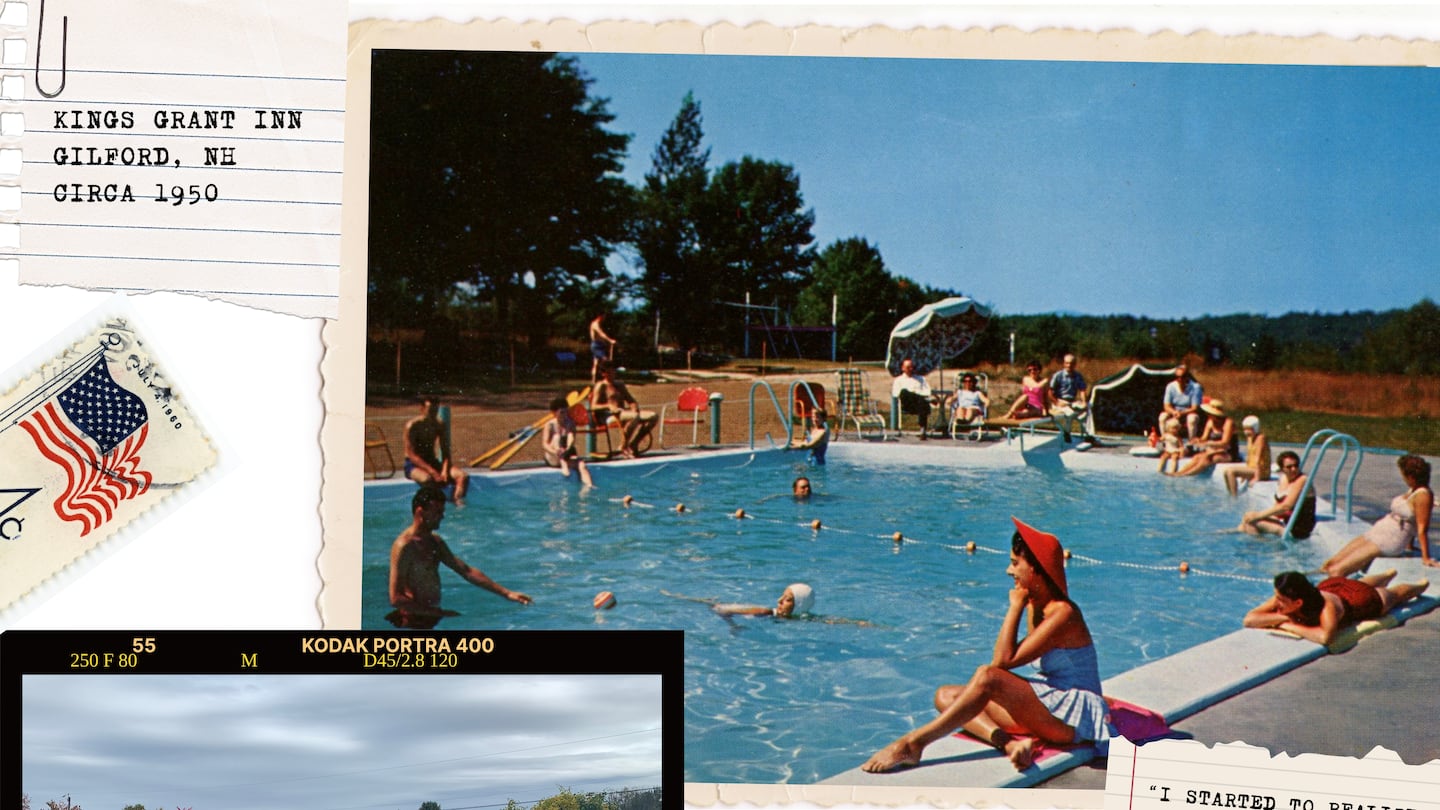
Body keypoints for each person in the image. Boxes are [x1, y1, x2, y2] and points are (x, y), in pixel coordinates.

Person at [861, 518, 1111, 773]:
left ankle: (914, 743)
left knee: (987, 677)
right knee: (946, 696)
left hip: (1073, 714)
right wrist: (1022, 606)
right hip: (1052, 706)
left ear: (1035, 569)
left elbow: (1001, 662)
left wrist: (1014, 606)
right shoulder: (1036, 605)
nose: (1008, 571)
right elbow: (1007, 660)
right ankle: (1010, 745)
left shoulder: (1063, 613)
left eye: (1015, 563)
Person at [387, 486, 531, 629]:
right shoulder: (404, 547)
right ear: (420, 512)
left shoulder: (435, 542)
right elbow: (396, 598)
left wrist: (507, 593)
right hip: (412, 619)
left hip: (430, 616)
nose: (442, 516)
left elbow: (467, 571)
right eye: (437, 512)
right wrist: (437, 613)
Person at [1243, 569, 1429, 646]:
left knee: (1393, 596)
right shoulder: (1287, 598)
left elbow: (1326, 637)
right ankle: (1386, 574)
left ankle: (1419, 586)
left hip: (1360, 600)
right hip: (1333, 587)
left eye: (1280, 599)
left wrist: (1289, 625)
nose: (1276, 602)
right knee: (1355, 583)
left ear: (1298, 603)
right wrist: (1283, 617)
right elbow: (1249, 619)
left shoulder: (1327, 608)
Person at [1321, 455, 1436, 576]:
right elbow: (1411, 517)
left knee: (1337, 570)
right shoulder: (1414, 489)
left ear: (1411, 477)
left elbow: (1422, 528)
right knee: (1331, 563)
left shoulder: (1423, 496)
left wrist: (1426, 557)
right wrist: (1410, 546)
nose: (1403, 478)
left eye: (1403, 475)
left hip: (1391, 539)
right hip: (1380, 531)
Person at [403, 395, 468, 504]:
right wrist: (433, 472)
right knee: (427, 479)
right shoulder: (412, 426)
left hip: (432, 461)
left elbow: (446, 452)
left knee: (462, 476)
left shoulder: (439, 425)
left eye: (435, 410)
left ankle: (457, 503)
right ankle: (435, 505)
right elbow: (412, 456)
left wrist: (444, 470)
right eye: (430, 411)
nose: (433, 414)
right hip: (413, 465)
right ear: (422, 409)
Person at [1239, 451, 1316, 538]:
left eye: (1296, 465)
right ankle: (1227, 533)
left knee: (1252, 523)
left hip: (1296, 528)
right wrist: (1255, 515)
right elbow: (1277, 506)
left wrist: (1258, 515)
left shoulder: (1302, 480)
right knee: (1247, 517)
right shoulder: (1284, 479)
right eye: (1289, 467)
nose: (1293, 469)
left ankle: (1260, 548)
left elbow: (1285, 506)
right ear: (1282, 469)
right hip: (1286, 522)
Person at [591, 363, 657, 459]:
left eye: (613, 370)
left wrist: (634, 406)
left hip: (624, 413)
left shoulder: (619, 384)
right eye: (609, 371)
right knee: (634, 417)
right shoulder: (601, 386)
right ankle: (623, 446)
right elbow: (593, 406)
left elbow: (630, 400)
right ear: (603, 373)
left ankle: (633, 444)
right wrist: (609, 406)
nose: (612, 373)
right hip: (609, 415)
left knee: (653, 416)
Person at [1170, 399, 1237, 477]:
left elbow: (1225, 443)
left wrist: (1208, 443)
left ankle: (1185, 475)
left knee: (1207, 458)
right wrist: (1197, 440)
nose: (1208, 415)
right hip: (1215, 450)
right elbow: (1204, 438)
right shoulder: (1210, 422)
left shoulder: (1228, 423)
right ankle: (1179, 473)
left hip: (1228, 453)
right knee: (1197, 457)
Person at [541, 396, 593, 487]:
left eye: (566, 412)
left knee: (582, 465)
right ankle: (562, 461)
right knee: (556, 437)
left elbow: (571, 437)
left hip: (565, 454)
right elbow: (545, 444)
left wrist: (568, 449)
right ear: (554, 413)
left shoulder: (570, 423)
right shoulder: (550, 425)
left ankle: (589, 487)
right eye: (561, 412)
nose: (564, 415)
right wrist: (556, 452)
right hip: (553, 456)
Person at [1218, 415, 1272, 495]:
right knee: (1226, 472)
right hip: (1252, 468)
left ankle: (1234, 498)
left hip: (1262, 470)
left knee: (1230, 472)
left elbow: (1258, 458)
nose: (1246, 432)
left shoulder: (1261, 438)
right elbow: (1249, 457)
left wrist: (1257, 477)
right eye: (1245, 429)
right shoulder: (1250, 438)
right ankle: (1231, 494)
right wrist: (1245, 473)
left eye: (1249, 429)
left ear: (1255, 428)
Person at [891, 358, 935, 439]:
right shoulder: (898, 380)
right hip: (907, 404)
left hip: (919, 404)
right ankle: (925, 400)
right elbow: (896, 394)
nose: (910, 369)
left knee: (922, 402)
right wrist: (914, 394)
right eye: (908, 367)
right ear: (903, 368)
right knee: (905, 392)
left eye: (912, 367)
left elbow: (927, 391)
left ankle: (923, 430)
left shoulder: (920, 379)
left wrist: (919, 395)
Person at [1048, 354, 1088, 442]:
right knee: (1070, 413)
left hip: (1072, 401)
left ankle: (1088, 434)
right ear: (1063, 364)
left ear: (1075, 364)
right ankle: (1067, 433)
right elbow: (1050, 392)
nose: (1069, 365)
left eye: (1071, 363)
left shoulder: (1078, 376)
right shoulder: (1058, 376)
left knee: (1088, 409)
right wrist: (1057, 402)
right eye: (1067, 363)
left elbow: (1082, 390)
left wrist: (1084, 402)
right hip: (1060, 401)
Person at [1159, 363, 1204, 441]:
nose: (1180, 379)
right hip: (1175, 412)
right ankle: (1165, 440)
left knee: (1192, 419)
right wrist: (1174, 412)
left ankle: (1191, 441)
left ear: (1187, 377)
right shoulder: (1170, 386)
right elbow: (1166, 406)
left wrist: (1182, 413)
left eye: (1182, 377)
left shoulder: (1195, 387)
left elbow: (1195, 407)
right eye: (1177, 377)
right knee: (1162, 417)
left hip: (1188, 412)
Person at [588, 313, 617, 383]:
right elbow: (601, 334)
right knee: (605, 361)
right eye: (603, 316)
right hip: (596, 346)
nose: (604, 318)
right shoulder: (595, 324)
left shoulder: (598, 324)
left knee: (596, 363)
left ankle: (594, 380)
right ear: (600, 316)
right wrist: (610, 340)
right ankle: (607, 377)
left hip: (599, 345)